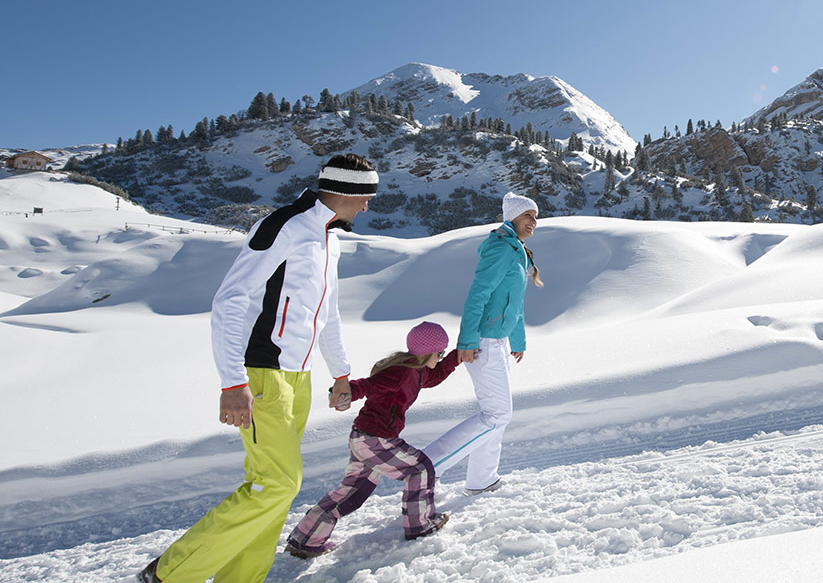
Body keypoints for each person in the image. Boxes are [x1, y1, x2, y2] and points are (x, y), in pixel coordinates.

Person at [139, 154, 377, 583]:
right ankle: (170, 573)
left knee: (273, 488)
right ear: (346, 192)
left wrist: (340, 373)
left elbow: (328, 312)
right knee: (277, 483)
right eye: (365, 199)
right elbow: (230, 299)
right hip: (263, 371)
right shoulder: (284, 226)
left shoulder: (329, 238)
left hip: (297, 377)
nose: (366, 208)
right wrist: (232, 381)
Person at [284, 321, 460, 559]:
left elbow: (434, 377)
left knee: (352, 492)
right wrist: (345, 392)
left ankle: (305, 540)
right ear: (427, 352)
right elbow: (369, 386)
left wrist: (457, 356)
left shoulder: (416, 371)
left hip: (363, 437)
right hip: (376, 439)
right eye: (439, 353)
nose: (440, 358)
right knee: (420, 469)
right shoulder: (401, 372)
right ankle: (420, 525)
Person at [421, 191, 542, 494]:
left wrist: (517, 338)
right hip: (484, 342)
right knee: (497, 414)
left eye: (536, 216)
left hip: (498, 341)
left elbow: (515, 302)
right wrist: (467, 341)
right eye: (528, 215)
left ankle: (482, 478)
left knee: (496, 414)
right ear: (512, 215)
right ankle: (426, 468)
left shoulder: (516, 251)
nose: (534, 221)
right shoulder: (502, 249)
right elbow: (479, 295)